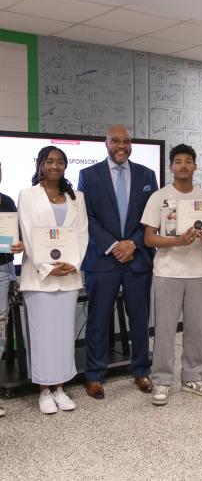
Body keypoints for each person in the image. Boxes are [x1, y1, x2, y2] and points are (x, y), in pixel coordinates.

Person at [78, 125, 158, 399]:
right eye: (115, 141)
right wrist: (114, 246)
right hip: (103, 260)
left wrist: (133, 243)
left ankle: (140, 371)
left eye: (126, 141)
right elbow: (86, 217)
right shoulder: (88, 175)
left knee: (139, 318)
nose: (121, 146)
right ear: (106, 143)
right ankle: (95, 376)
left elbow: (153, 216)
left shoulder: (147, 175)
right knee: (99, 319)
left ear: (131, 144)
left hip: (137, 258)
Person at [142, 144, 202, 406]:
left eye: (188, 161)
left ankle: (193, 376)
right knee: (164, 329)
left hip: (199, 273)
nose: (183, 166)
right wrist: (177, 242)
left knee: (197, 328)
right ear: (171, 167)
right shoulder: (159, 197)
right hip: (167, 272)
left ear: (195, 166)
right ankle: (162, 380)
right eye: (178, 161)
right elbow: (149, 238)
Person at [18, 147, 88, 414]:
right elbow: (28, 232)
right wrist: (48, 267)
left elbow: (82, 234)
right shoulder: (28, 196)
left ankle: (60, 388)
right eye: (50, 161)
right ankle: (44, 391)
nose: (55, 166)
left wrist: (74, 263)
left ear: (65, 166)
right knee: (41, 336)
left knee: (62, 336)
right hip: (39, 279)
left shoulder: (76, 197)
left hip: (69, 276)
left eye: (60, 161)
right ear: (40, 165)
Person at [0, 160, 24, 417]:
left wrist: (17, 246)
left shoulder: (6, 201)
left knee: (0, 334)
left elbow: (14, 238)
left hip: (4, 271)